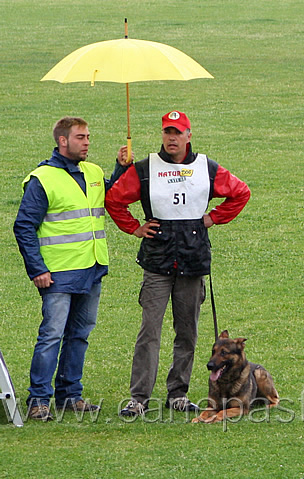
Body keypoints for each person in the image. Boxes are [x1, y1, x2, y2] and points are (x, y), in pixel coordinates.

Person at [105, 110, 251, 417]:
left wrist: (213, 218)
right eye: (167, 132)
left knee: (187, 332)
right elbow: (114, 200)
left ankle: (178, 393)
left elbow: (240, 193)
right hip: (158, 260)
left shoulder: (206, 168)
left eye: (178, 133)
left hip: (192, 258)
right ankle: (139, 398)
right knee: (150, 331)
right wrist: (134, 227)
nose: (172, 138)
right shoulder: (144, 169)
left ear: (189, 135)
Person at [14, 116, 131, 421]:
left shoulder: (92, 171)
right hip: (58, 273)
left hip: (92, 268)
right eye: (81, 137)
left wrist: (121, 168)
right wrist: (37, 269)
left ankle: (70, 395)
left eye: (88, 136)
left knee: (80, 334)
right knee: (52, 335)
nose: (87, 142)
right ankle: (38, 399)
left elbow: (109, 197)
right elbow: (24, 226)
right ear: (62, 141)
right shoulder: (42, 178)